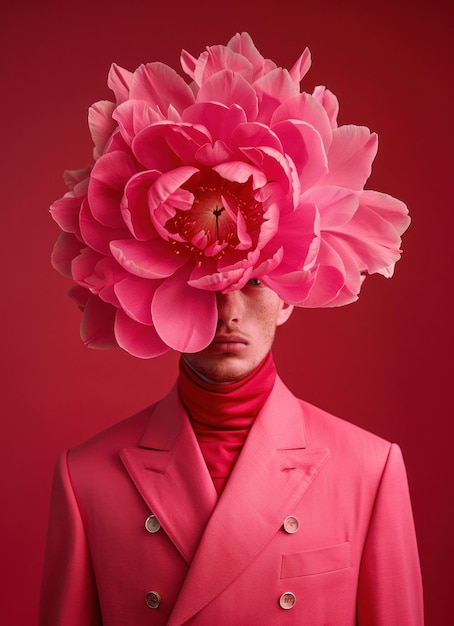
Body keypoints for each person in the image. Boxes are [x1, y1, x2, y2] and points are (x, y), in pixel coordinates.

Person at [40, 33, 424, 624]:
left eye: (254, 280)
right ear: (146, 285)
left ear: (297, 286)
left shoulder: (369, 471)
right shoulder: (85, 477)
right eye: (204, 281)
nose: (227, 308)